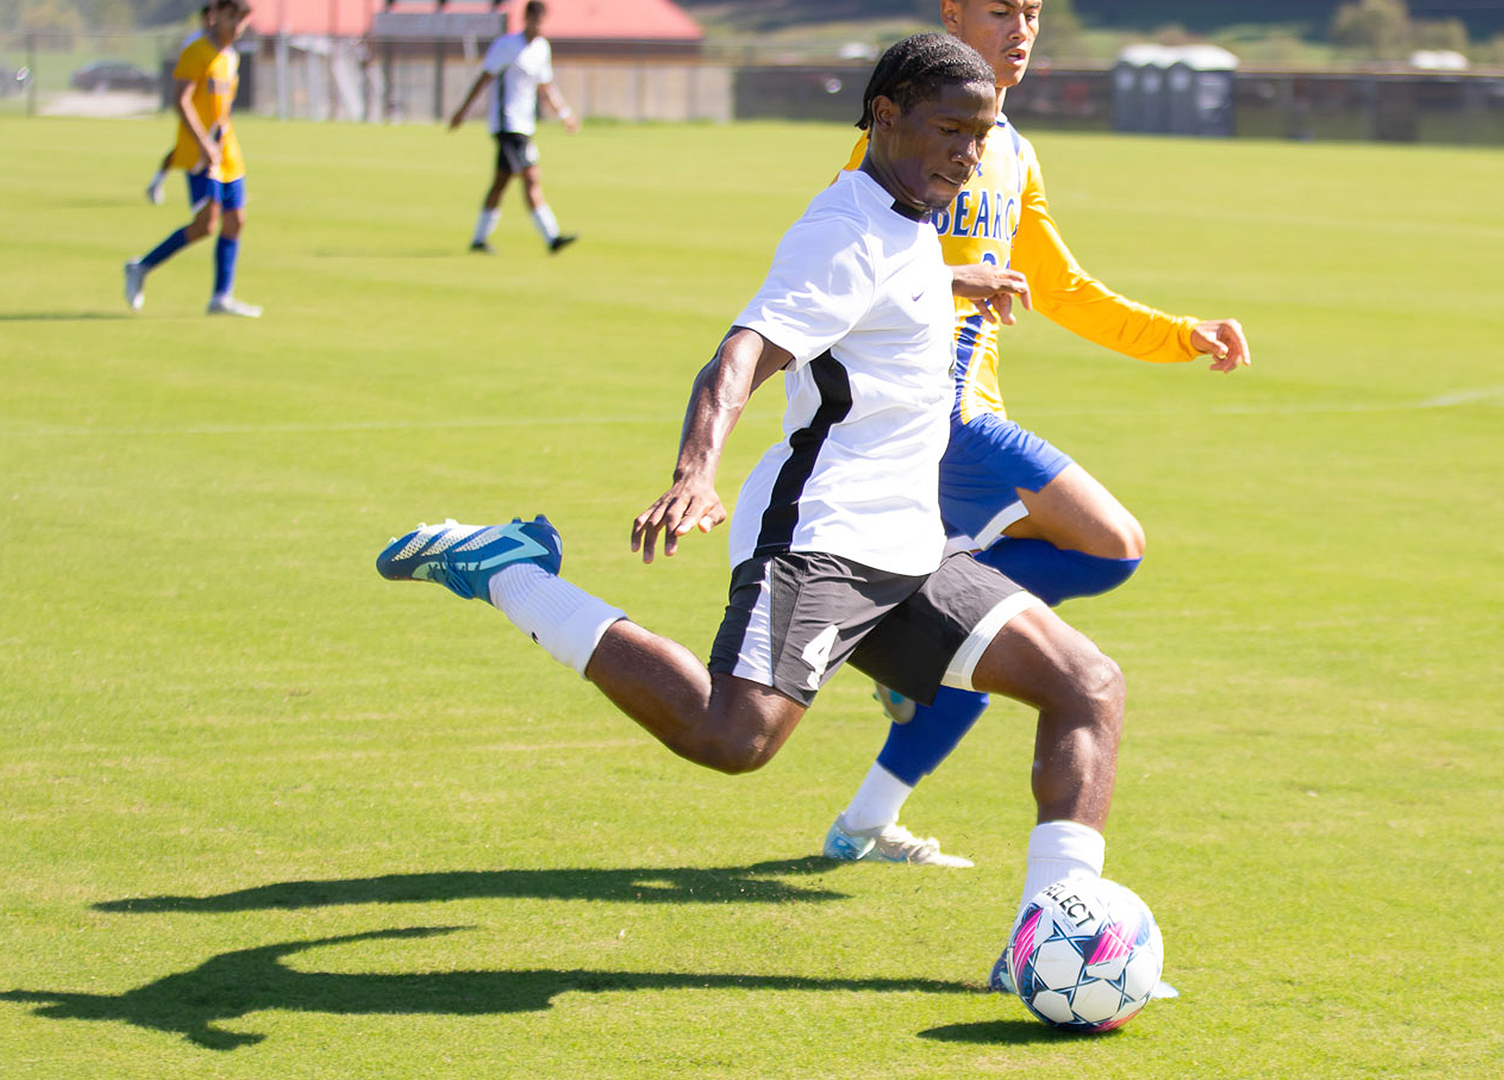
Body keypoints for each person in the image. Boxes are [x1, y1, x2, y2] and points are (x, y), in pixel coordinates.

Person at [378, 34, 1128, 989]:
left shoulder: (907, 225)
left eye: (981, 135)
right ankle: (509, 571)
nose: (969, 155)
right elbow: (741, 352)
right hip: (820, 540)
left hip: (908, 544)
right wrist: (696, 472)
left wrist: (953, 279)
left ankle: (1054, 933)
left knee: (1087, 686)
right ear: (884, 116)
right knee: (731, 740)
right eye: (950, 130)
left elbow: (879, 288)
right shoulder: (844, 226)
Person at [820, 0, 1251, 870]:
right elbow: (838, 260)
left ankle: (864, 822)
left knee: (986, 634)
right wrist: (951, 273)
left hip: (974, 410)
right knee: (1112, 544)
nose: (1020, 28)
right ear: (951, 14)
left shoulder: (1010, 150)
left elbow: (1062, 287)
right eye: (998, 10)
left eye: (1033, 12)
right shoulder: (897, 134)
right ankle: (893, 627)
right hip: (929, 417)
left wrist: (1181, 333)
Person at [123, 0, 261, 318]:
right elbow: (180, 100)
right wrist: (203, 143)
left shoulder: (230, 56)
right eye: (232, 16)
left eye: (242, 18)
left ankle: (221, 297)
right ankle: (140, 267)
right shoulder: (196, 51)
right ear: (216, 16)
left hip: (226, 151)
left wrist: (220, 143)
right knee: (205, 225)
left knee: (236, 221)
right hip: (200, 153)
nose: (237, 24)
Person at [449, 0, 579, 254]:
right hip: (507, 125)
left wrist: (564, 114)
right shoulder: (506, 46)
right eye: (535, 20)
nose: (539, 26)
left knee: (501, 182)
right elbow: (484, 79)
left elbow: (546, 87)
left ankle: (479, 239)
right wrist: (463, 111)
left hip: (525, 125)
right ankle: (551, 237)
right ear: (526, 19)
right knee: (530, 177)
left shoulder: (541, 49)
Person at [144, 5, 211, 206]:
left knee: (219, 147)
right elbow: (185, 73)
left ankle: (226, 191)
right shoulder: (195, 42)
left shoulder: (223, 44)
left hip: (213, 107)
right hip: (194, 105)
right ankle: (157, 182)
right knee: (183, 149)